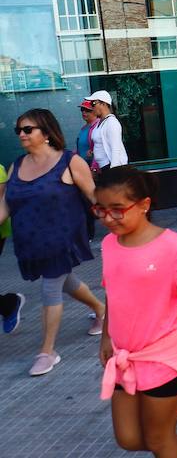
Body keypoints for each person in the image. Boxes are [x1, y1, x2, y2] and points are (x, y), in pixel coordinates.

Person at [96, 167, 177, 458]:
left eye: (117, 209)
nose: (107, 218)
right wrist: (105, 337)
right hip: (125, 358)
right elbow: (112, 292)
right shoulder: (108, 243)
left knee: (158, 440)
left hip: (166, 359)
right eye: (100, 209)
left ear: (144, 205)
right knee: (127, 439)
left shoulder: (171, 246)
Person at [0, 109, 107, 376]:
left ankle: (47, 351)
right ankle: (101, 310)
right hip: (32, 242)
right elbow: (4, 207)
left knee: (50, 288)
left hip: (64, 237)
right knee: (64, 280)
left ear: (46, 133)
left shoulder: (69, 161)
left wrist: (121, 224)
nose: (21, 135)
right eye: (19, 131)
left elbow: (94, 197)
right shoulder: (17, 165)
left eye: (27, 129)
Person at [86, 90, 128, 170]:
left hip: (111, 168)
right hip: (103, 167)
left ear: (104, 104)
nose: (91, 107)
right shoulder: (101, 123)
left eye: (93, 103)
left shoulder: (111, 122)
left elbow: (116, 148)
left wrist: (114, 171)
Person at [75, 99, 99, 170]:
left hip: (93, 168)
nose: (84, 112)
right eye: (82, 109)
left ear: (95, 111)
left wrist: (94, 168)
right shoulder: (84, 128)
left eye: (87, 110)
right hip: (83, 167)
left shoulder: (98, 127)